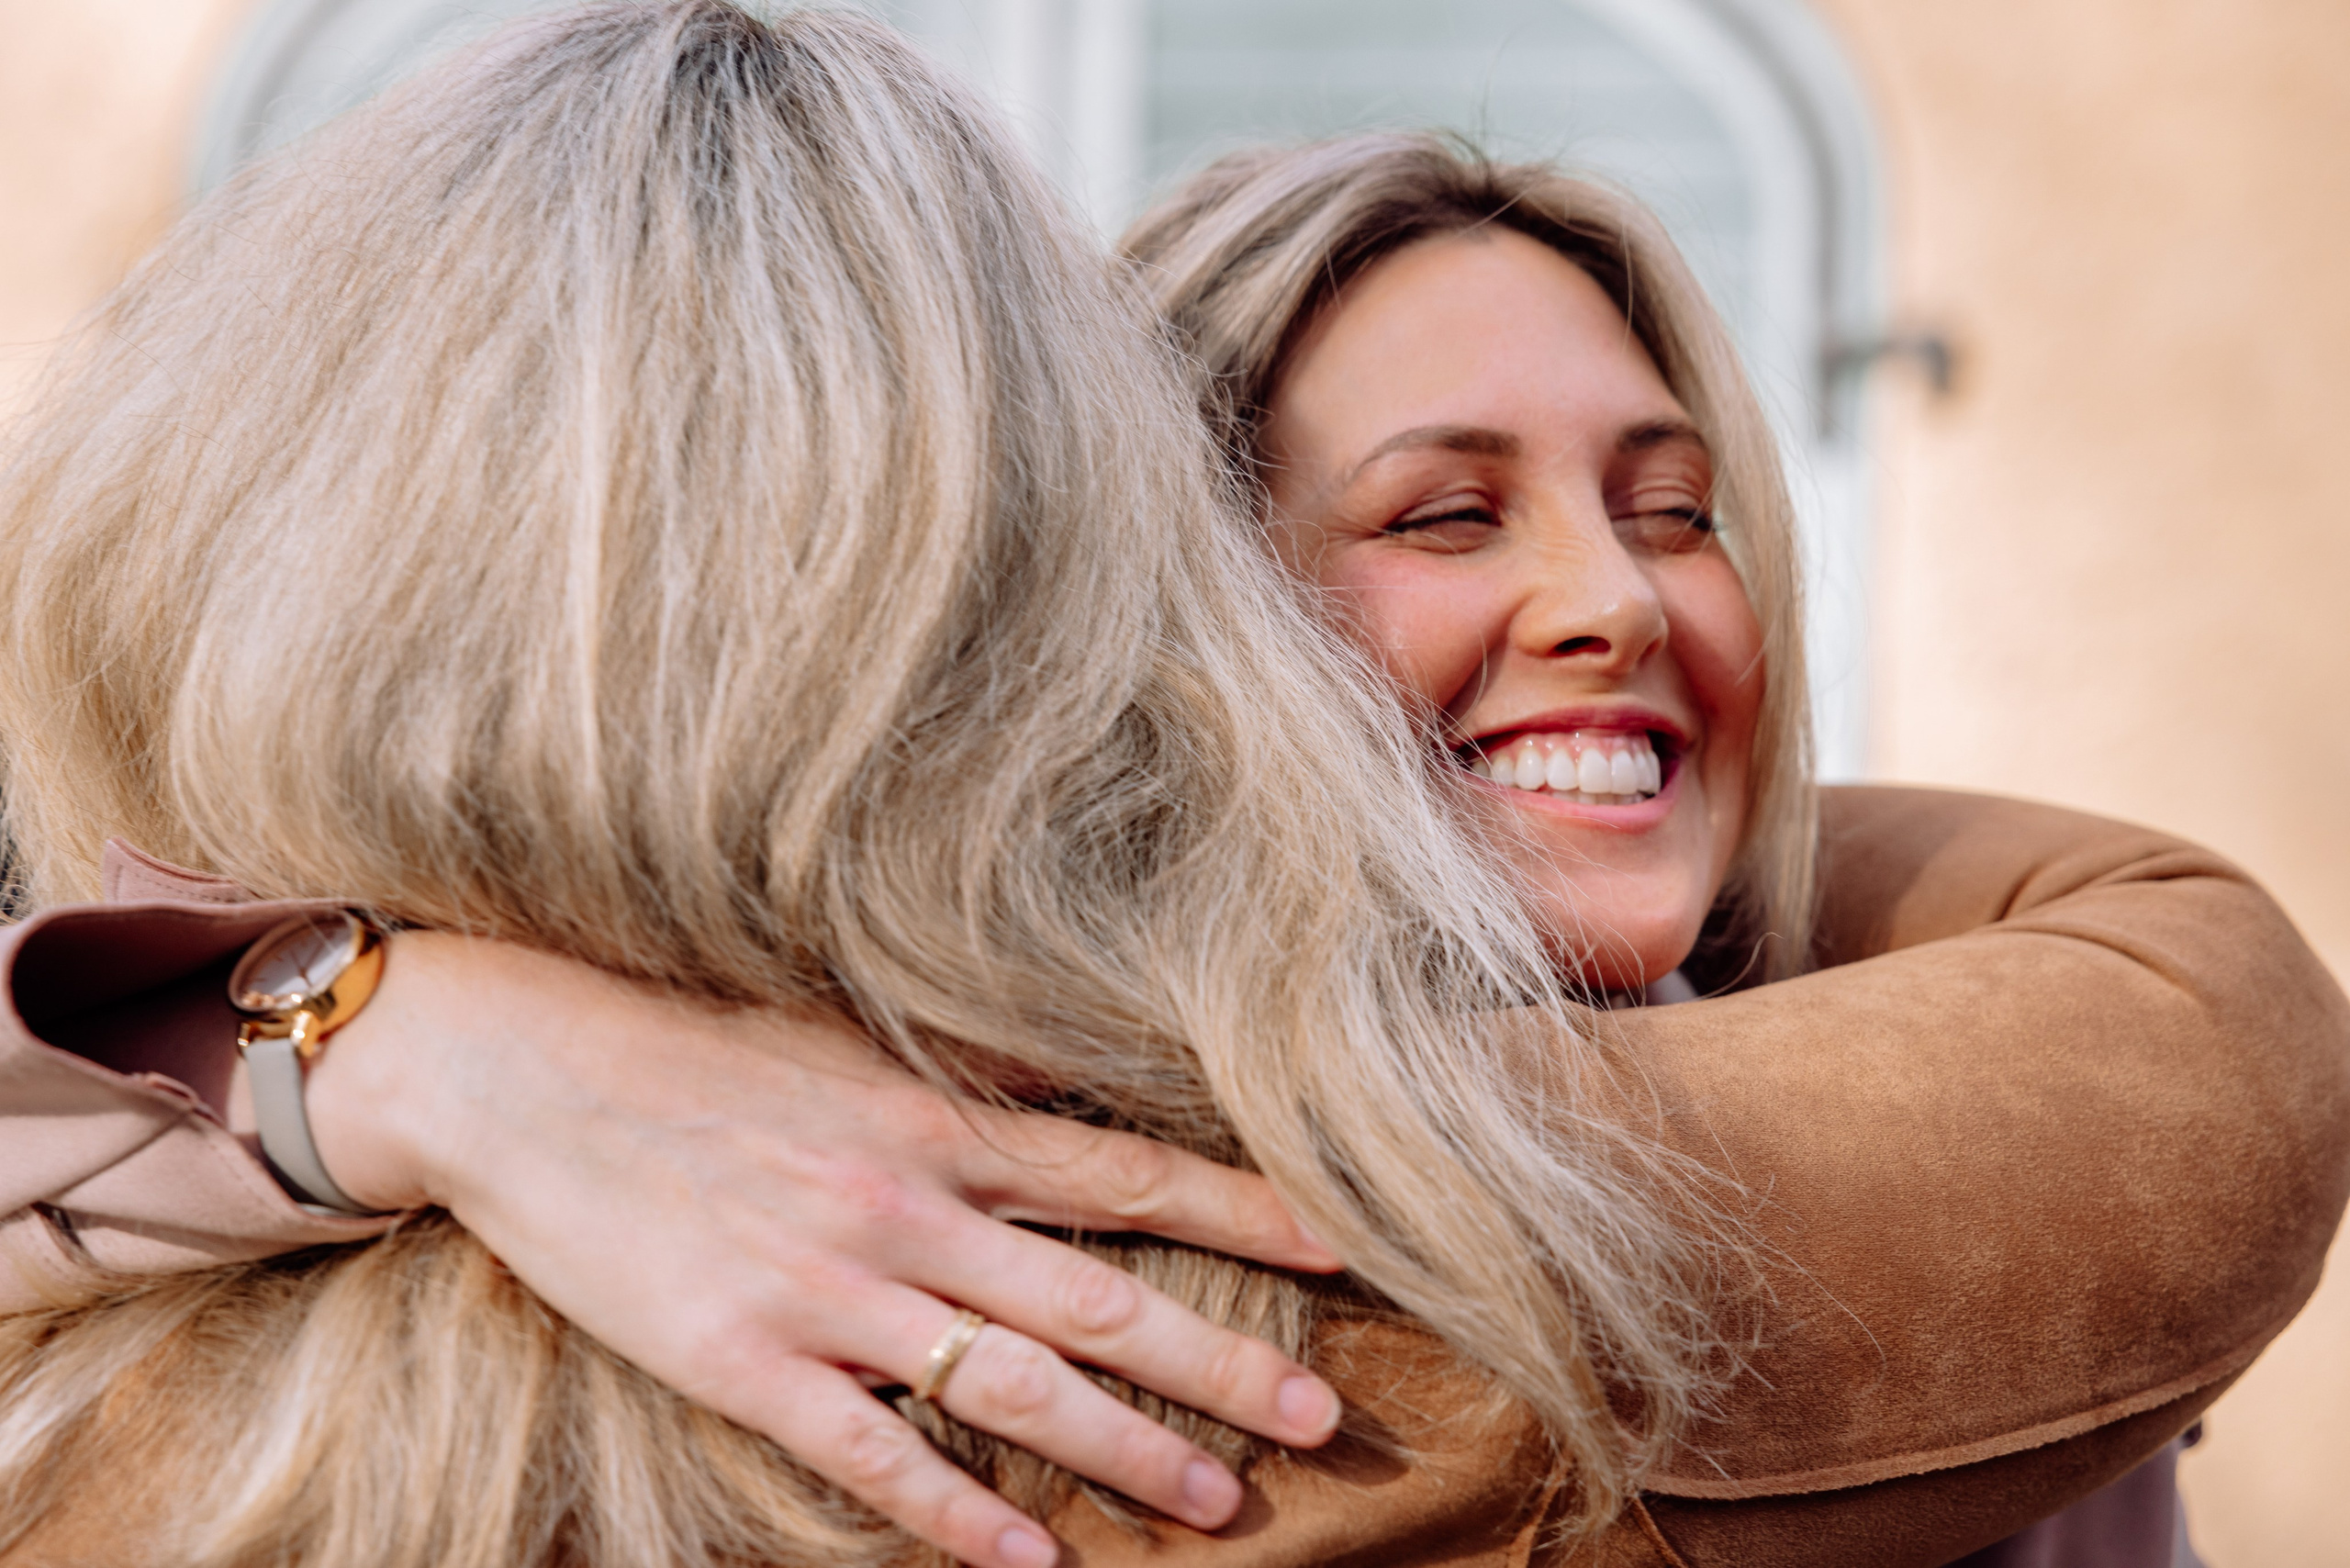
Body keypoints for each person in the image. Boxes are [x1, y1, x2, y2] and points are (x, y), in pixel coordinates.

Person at [0, 8, 2343, 1568]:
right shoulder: (1343, 1272)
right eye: (1438, 513)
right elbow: (2184, 1011)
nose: (1613, 601)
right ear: (1160, 630)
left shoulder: (131, 1263)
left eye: (1677, 496)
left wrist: (380, 1029)